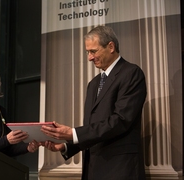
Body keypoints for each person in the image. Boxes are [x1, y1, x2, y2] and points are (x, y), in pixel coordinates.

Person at [41, 25, 147, 180]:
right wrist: (66, 146)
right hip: (93, 169)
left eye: (93, 51)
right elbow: (94, 128)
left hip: (120, 169)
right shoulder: (94, 84)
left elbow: (121, 120)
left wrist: (74, 133)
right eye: (87, 52)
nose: (89, 57)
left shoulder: (131, 73)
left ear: (111, 46)